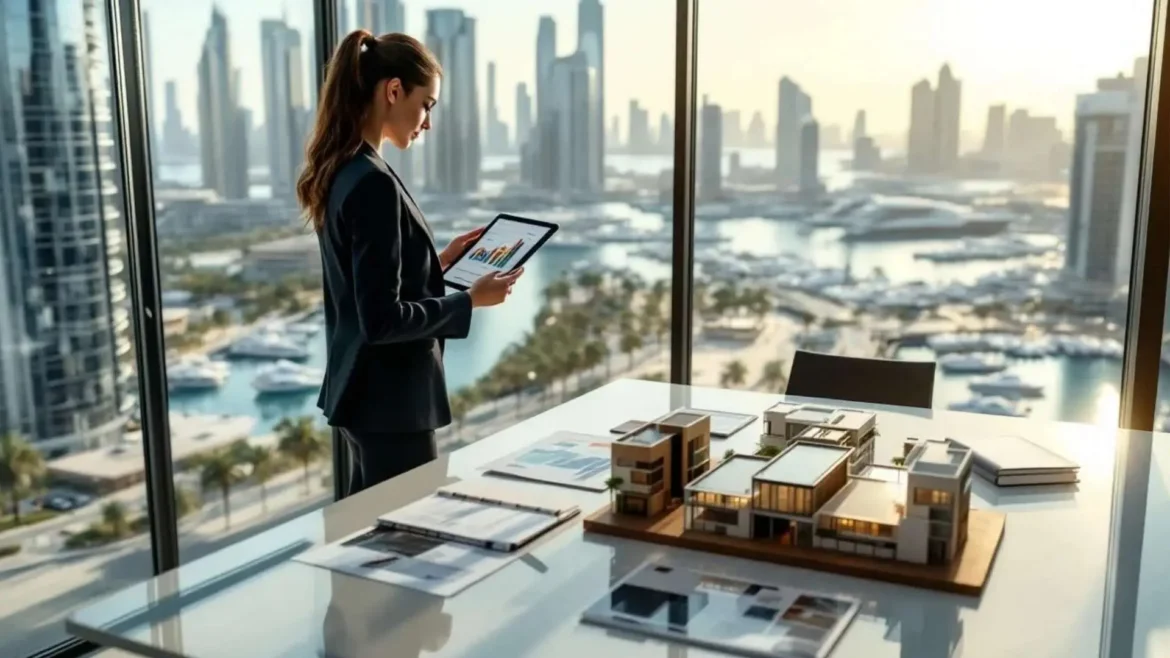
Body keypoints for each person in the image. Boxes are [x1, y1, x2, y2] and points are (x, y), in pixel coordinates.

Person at [296, 29, 522, 495]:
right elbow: (381, 320)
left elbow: (370, 286)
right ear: (393, 90)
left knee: (367, 540)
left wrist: (439, 263)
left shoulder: (344, 170)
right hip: (394, 406)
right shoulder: (372, 181)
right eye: (427, 105)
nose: (427, 123)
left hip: (364, 399)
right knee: (407, 551)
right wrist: (468, 301)